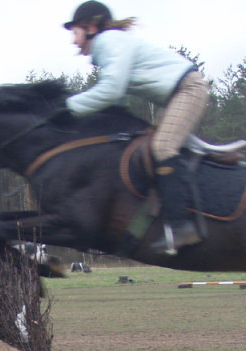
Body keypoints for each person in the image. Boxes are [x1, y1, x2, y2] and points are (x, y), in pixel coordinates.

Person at [60, 1, 210, 255]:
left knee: (163, 147)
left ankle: (183, 226)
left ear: (91, 27)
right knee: (148, 147)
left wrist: (66, 109)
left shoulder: (109, 41)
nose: (74, 42)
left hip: (188, 89)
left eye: (75, 32)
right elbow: (116, 102)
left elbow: (111, 91)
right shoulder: (111, 44)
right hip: (177, 94)